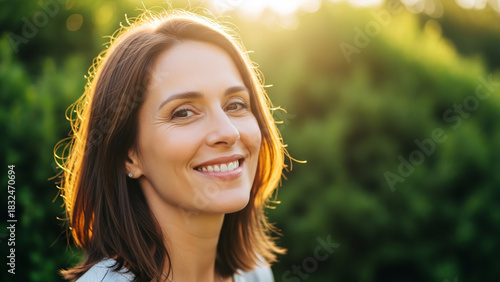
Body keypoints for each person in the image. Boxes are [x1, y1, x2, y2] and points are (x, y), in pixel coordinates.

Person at [55, 9, 288, 282]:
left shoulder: (254, 274)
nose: (229, 132)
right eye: (184, 112)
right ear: (128, 155)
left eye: (235, 105)